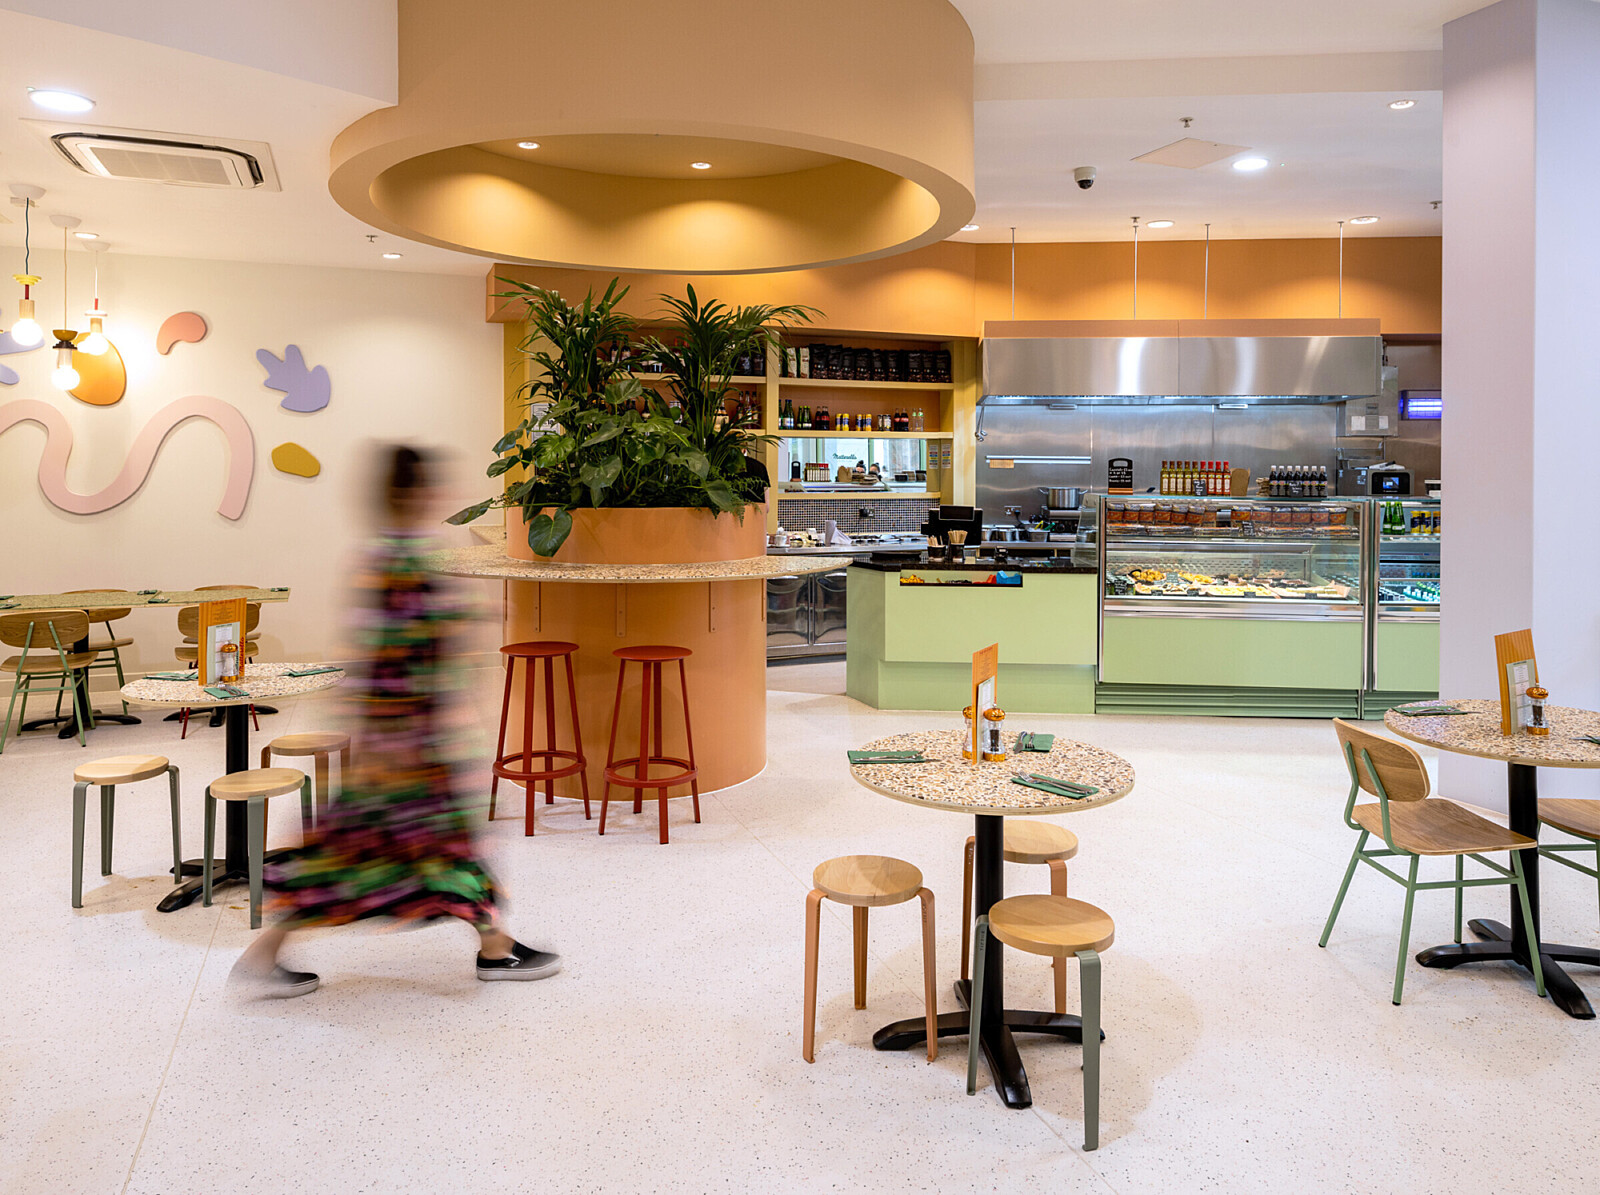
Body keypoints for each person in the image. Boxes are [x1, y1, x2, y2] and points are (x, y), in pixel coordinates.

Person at [232, 444, 559, 997]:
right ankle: (492, 946)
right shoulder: (402, 561)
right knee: (365, 853)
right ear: (410, 493)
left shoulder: (388, 556)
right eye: (428, 487)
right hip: (405, 747)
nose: (437, 496)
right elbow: (396, 656)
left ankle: (494, 944)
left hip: (405, 741)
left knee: (412, 847)